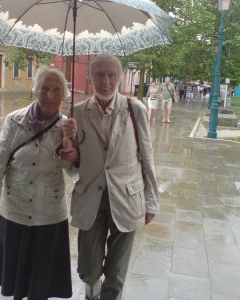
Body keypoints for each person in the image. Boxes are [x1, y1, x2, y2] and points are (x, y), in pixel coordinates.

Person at [69, 54, 160, 300]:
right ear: (90, 77)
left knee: (116, 273)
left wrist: (151, 201)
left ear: (120, 77)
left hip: (127, 197)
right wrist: (69, 151)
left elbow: (147, 157)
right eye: (99, 74)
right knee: (88, 268)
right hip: (90, 198)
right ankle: (91, 285)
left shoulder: (134, 109)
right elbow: (71, 166)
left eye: (111, 75)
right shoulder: (76, 113)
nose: (105, 81)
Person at [0, 66, 78, 300]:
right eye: (44, 88)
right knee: (17, 280)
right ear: (34, 90)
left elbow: (72, 171)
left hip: (49, 216)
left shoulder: (68, 126)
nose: (49, 95)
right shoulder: (14, 120)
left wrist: (70, 145)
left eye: (56, 90)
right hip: (15, 211)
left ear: (64, 95)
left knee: (41, 284)